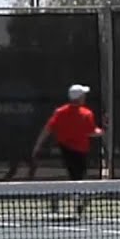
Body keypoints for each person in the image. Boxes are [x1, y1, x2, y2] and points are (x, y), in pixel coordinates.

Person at [31, 84, 104, 215]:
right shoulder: (86, 114)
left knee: (76, 179)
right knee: (78, 179)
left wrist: (38, 145)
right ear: (80, 97)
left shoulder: (60, 112)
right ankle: (75, 201)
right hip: (79, 151)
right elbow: (91, 132)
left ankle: (67, 199)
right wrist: (102, 131)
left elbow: (47, 129)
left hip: (66, 150)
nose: (85, 97)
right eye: (83, 95)